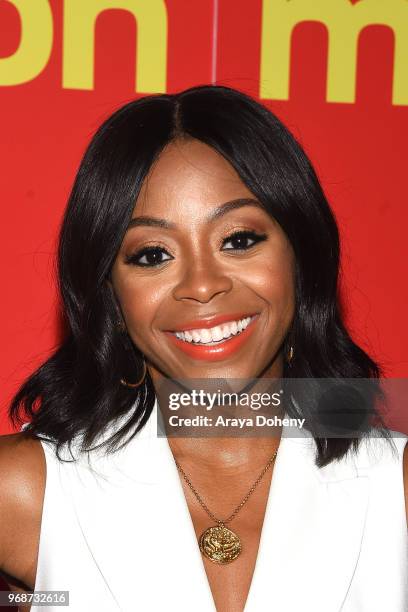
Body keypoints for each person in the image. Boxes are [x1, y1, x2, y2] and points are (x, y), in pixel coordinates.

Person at [0, 85, 406, 612]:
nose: (202, 284)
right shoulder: (25, 493)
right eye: (151, 254)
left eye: (238, 239)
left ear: (301, 260)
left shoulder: (393, 490)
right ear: (111, 297)